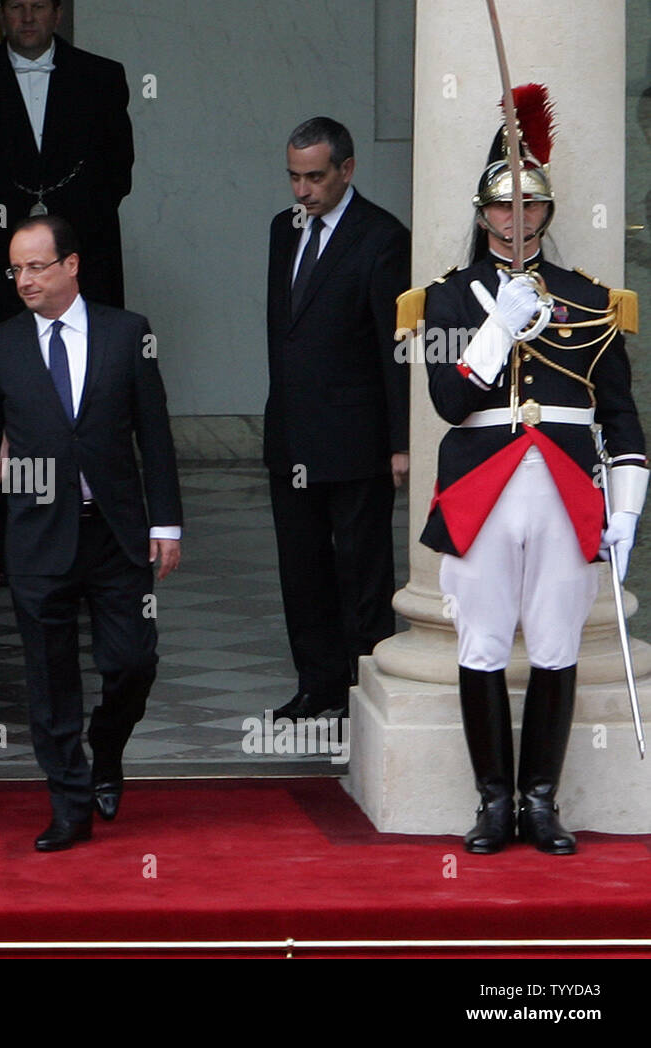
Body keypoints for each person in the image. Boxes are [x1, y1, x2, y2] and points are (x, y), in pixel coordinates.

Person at [416, 88, 647, 855]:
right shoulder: (447, 298)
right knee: (481, 643)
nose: (516, 221)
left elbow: (620, 417)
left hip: (567, 487)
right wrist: (495, 328)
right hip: (482, 484)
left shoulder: (590, 299)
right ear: (483, 215)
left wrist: (625, 511)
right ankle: (492, 804)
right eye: (503, 209)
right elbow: (450, 401)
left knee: (556, 643)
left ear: (547, 214)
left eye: (530, 209)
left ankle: (540, 801)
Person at [0, 215, 182, 851]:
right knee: (49, 677)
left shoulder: (126, 333)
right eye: (16, 269)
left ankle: (106, 750)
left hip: (116, 536)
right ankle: (69, 800)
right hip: (35, 539)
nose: (24, 280)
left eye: (36, 266)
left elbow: (155, 436)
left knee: (133, 661)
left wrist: (165, 521)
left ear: (71, 265)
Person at [263, 116, 410, 722]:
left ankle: (365, 688)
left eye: (315, 177)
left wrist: (401, 442)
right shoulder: (282, 230)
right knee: (302, 569)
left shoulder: (382, 237)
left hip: (357, 439)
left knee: (361, 570)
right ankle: (316, 684)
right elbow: (285, 332)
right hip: (292, 433)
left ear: (346, 170)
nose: (302, 190)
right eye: (294, 177)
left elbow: (394, 348)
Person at [0, 0, 133, 328]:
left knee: (90, 369)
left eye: (38, 6)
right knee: (5, 367)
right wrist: (3, 222)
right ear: (1, 15)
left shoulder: (101, 76)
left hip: (84, 256)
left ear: (57, 14)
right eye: (16, 6)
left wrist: (65, 230)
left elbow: (117, 170)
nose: (27, 17)